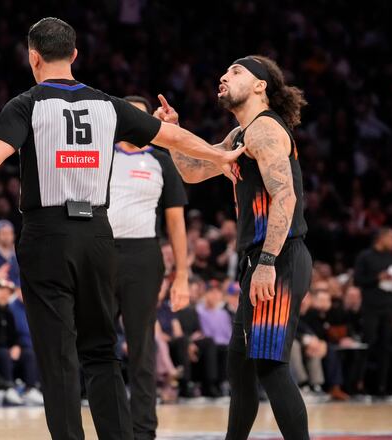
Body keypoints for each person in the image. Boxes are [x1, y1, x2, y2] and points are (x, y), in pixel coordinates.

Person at [0, 17, 239, 440]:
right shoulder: (108, 104)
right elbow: (173, 138)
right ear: (74, 55)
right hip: (99, 237)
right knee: (102, 351)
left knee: (58, 356)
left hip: (47, 235)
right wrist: (221, 157)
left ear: (33, 57)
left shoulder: (26, 104)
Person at [157, 55, 312, 439]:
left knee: (269, 366)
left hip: (278, 257)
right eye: (224, 72)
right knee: (239, 367)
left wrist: (268, 262)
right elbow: (193, 172)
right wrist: (173, 133)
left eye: (236, 71)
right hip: (257, 260)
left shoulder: (265, 130)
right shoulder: (239, 137)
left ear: (261, 85)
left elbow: (285, 197)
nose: (224, 76)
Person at [107, 95, 189, 440]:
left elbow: (176, 223)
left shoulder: (161, 161)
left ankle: (144, 431)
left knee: (142, 346)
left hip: (144, 256)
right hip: (100, 253)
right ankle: (111, 427)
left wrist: (181, 274)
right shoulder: (98, 157)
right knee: (99, 345)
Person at [353, 227, 392, 396]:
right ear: (381, 238)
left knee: (386, 348)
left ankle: (382, 387)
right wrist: (377, 278)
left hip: (388, 307)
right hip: (370, 308)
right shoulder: (365, 256)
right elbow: (358, 280)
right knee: (367, 345)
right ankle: (358, 385)